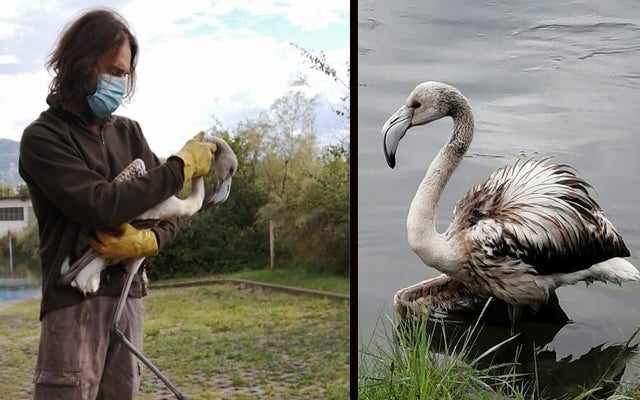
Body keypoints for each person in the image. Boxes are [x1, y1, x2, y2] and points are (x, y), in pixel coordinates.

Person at [18, 8, 215, 399]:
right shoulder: (43, 139)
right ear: (79, 64)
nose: (119, 82)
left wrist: (150, 242)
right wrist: (178, 168)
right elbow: (100, 205)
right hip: (73, 306)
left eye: (124, 74)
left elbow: (168, 209)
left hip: (129, 298)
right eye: (112, 70)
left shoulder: (130, 133)